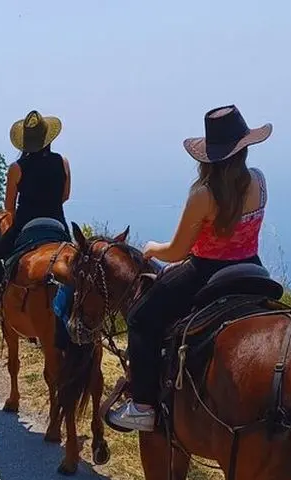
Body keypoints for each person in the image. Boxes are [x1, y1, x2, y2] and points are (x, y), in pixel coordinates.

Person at [108, 105, 272, 432]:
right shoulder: (258, 180)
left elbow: (177, 252)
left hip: (205, 274)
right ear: (244, 148)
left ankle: (142, 406)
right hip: (252, 270)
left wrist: (153, 248)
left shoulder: (203, 194)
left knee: (141, 318)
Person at [0, 110, 72, 341]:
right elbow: (65, 196)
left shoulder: (17, 168)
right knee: (79, 266)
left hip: (26, 225)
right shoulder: (62, 162)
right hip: (58, 225)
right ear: (48, 138)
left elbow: (9, 208)